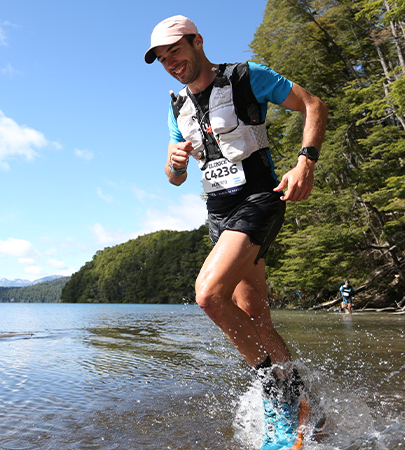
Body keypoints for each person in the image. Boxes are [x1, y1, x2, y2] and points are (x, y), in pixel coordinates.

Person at [144, 15, 329, 450]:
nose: (171, 62)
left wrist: (306, 162)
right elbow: (173, 179)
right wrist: (174, 163)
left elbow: (314, 105)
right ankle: (310, 409)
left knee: (208, 295)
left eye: (176, 51)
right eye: (162, 58)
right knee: (258, 320)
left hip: (259, 201)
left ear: (197, 42)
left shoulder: (246, 77)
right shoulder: (177, 107)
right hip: (219, 215)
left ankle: (278, 399)